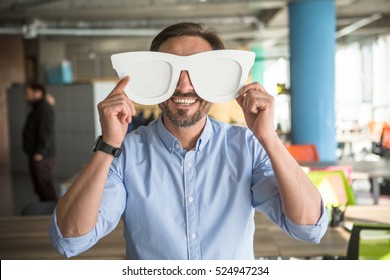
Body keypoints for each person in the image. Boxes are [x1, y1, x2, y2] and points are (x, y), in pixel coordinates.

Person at [48, 22, 328, 259]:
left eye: (198, 72)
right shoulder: (125, 152)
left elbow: (308, 227)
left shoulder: (247, 146)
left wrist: (268, 138)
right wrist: (108, 144)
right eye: (170, 72)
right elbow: (71, 239)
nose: (184, 86)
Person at [23, 83, 57, 202]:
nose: (25, 97)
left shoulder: (44, 108)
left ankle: (51, 215)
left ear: (37, 93)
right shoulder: (38, 107)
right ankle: (46, 213)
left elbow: (46, 132)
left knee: (45, 187)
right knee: (40, 188)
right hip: (36, 154)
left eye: (28, 94)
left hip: (41, 156)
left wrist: (40, 152)